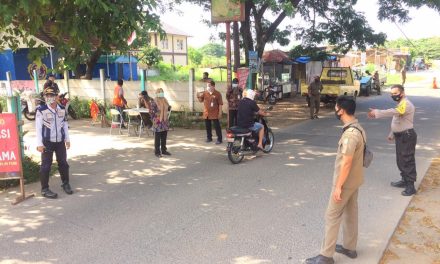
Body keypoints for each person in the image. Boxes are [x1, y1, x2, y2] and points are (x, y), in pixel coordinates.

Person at [306, 96, 366, 264]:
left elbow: (346, 162)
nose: (335, 110)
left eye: (336, 108)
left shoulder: (350, 135)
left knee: (331, 216)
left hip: (345, 182)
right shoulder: (358, 128)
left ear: (342, 110)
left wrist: (338, 186)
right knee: (351, 214)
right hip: (355, 180)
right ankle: (350, 247)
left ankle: (326, 256)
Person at [368, 84, 417, 196]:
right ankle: (404, 180)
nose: (393, 95)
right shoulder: (400, 104)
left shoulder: (406, 104)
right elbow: (397, 120)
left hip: (407, 136)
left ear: (402, 93)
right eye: (392, 94)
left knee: (407, 160)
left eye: (395, 93)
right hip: (400, 136)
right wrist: (392, 133)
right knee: (400, 160)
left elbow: (395, 112)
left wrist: (377, 112)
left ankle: (411, 186)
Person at [35, 87, 73, 199]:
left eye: (51, 95)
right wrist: (39, 144)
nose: (49, 98)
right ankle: (44, 189)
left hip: (60, 141)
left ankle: (65, 183)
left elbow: (65, 125)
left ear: (56, 96)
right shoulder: (41, 110)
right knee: (46, 166)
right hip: (47, 142)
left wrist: (67, 139)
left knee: (63, 164)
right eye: (47, 96)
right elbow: (38, 128)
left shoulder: (62, 109)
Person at [150, 88, 171, 157]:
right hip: (158, 121)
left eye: (162, 92)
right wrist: (156, 117)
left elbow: (167, 107)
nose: (161, 93)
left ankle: (164, 150)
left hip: (164, 121)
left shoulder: (164, 99)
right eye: (160, 92)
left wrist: (168, 108)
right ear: (157, 93)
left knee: (164, 137)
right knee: (157, 138)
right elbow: (151, 111)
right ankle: (157, 152)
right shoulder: (154, 101)